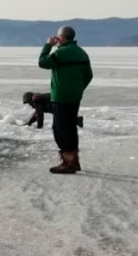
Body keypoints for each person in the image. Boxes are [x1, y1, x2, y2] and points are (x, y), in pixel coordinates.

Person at [38, 26, 92, 174]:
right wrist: (78, 89)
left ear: (61, 38)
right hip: (75, 97)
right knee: (70, 128)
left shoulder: (60, 53)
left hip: (61, 97)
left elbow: (43, 62)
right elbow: (89, 75)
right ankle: (74, 161)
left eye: (57, 37)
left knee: (60, 129)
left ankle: (68, 163)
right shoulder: (82, 53)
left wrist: (48, 45)